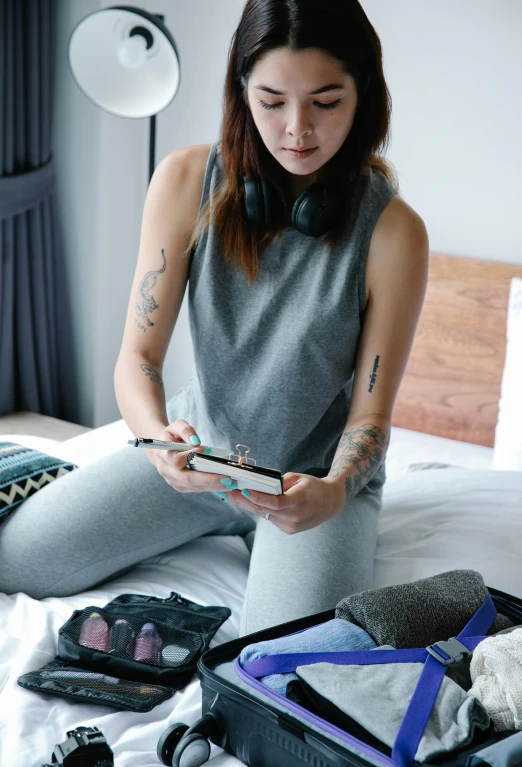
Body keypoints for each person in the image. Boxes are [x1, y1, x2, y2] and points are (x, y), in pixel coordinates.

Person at [0, 0, 429, 636]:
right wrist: (154, 442)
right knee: (17, 561)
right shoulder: (182, 181)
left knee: (275, 664)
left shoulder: (395, 234)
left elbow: (370, 417)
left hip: (311, 484)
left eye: (326, 101)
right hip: (202, 454)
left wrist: (335, 489)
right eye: (272, 100)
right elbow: (137, 359)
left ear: (364, 92)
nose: (296, 129)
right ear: (240, 92)